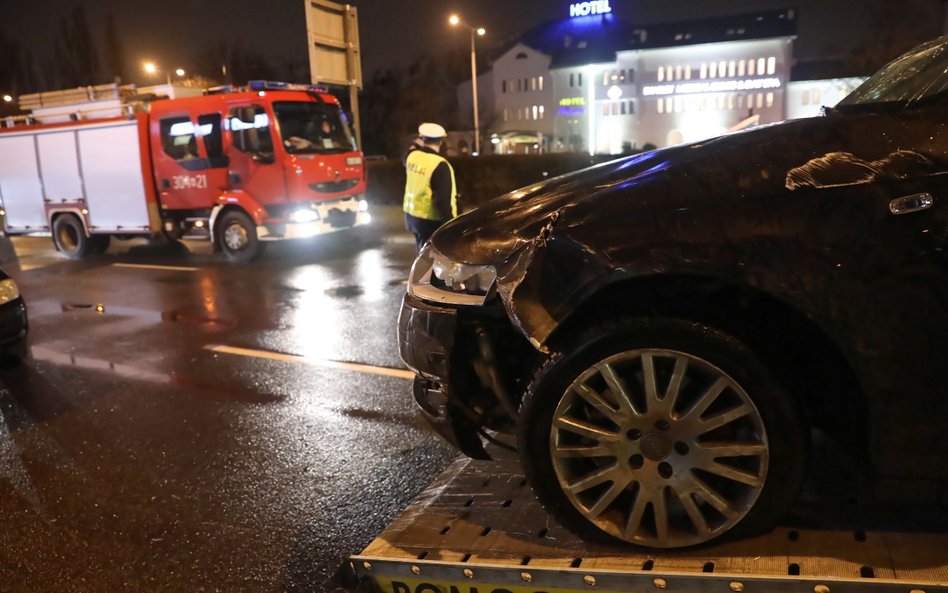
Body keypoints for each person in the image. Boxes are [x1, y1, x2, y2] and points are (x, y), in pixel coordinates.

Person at [403, 122, 457, 251]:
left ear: (422, 139)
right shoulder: (440, 165)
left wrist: (416, 143)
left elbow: (408, 152)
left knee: (422, 256)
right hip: (431, 222)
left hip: (412, 219)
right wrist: (450, 229)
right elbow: (442, 201)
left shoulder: (412, 157)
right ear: (441, 142)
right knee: (432, 263)